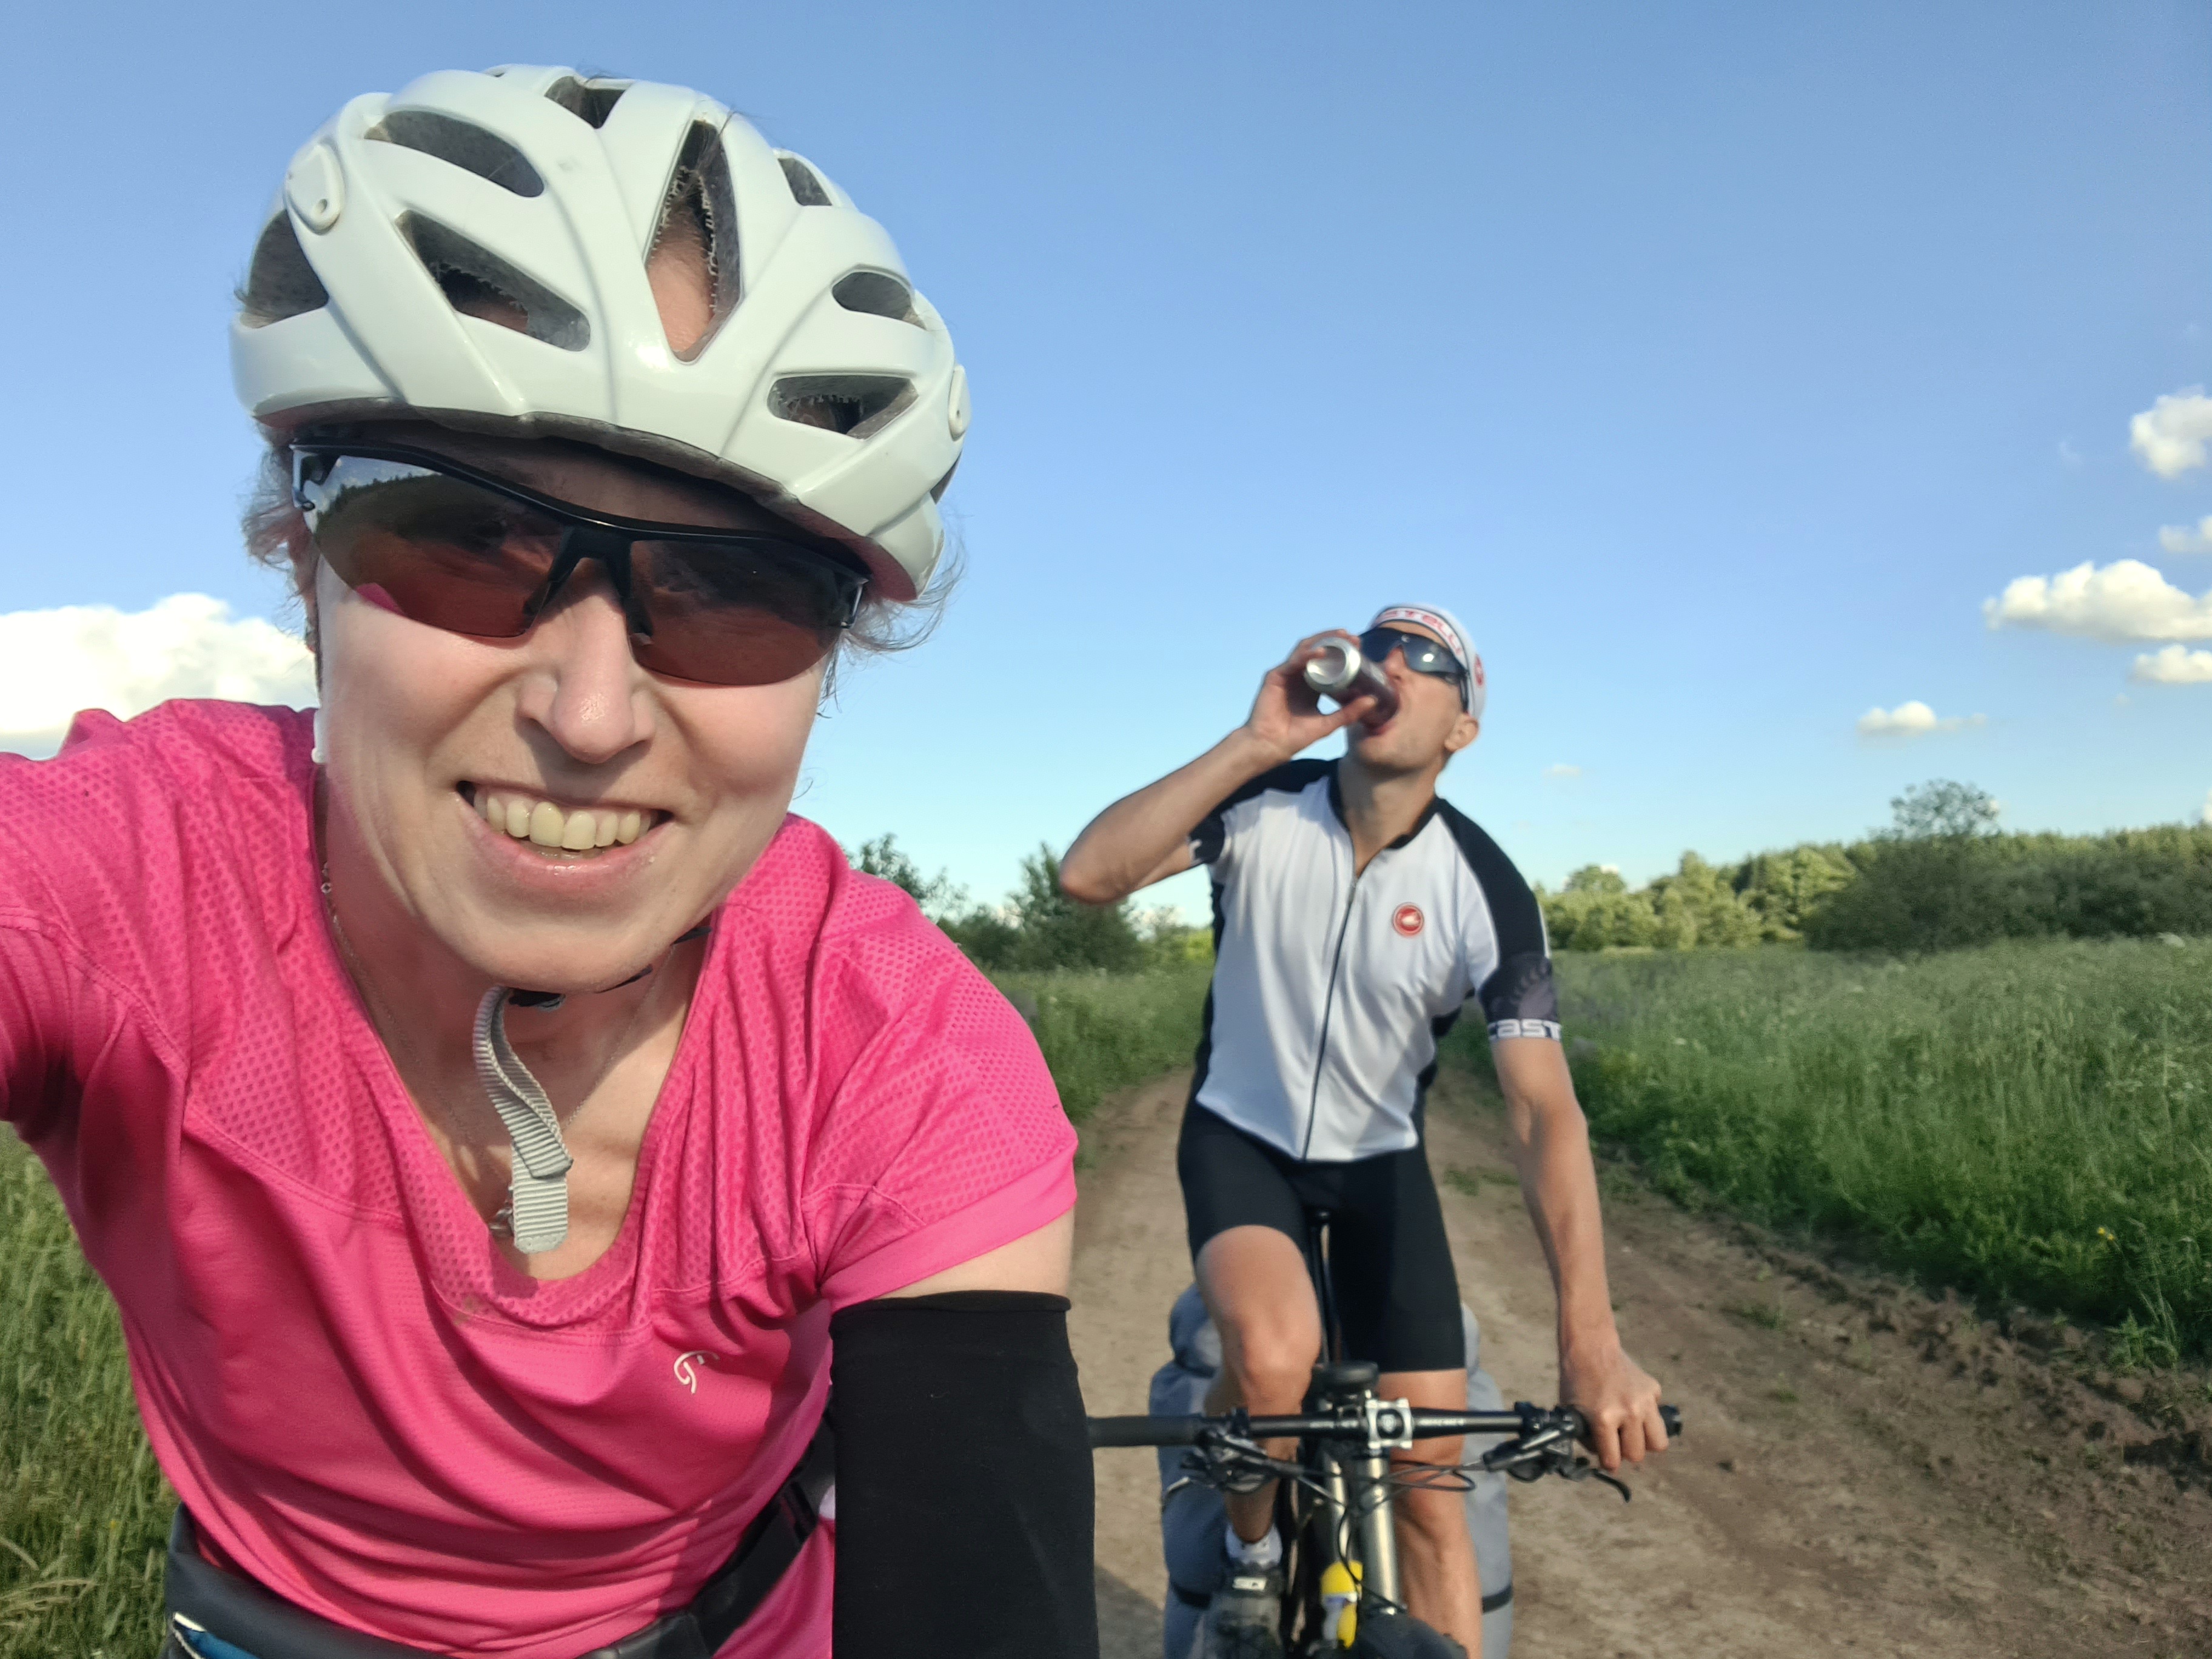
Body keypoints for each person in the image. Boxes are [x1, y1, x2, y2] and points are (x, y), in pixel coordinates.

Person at [0, 66, 1096, 1659]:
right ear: (301, 560)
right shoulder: (137, 882)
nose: (589, 717)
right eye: (464, 539)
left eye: (736, 593)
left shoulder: (891, 1052)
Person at [1059, 607, 1667, 1655]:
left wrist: (1591, 1341)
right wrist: (1258, 740)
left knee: (1431, 1482)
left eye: (1427, 660)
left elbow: (1541, 1108)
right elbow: (1089, 877)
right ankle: (1250, 1557)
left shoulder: (1485, 886)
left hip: (1382, 1168)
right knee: (1273, 1357)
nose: (1392, 664)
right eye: (1379, 647)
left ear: (1461, 729)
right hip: (1242, 1142)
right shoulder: (1261, 804)